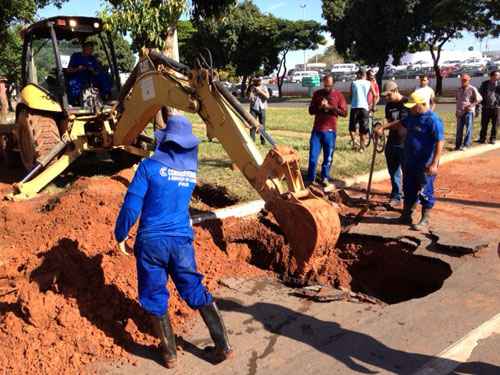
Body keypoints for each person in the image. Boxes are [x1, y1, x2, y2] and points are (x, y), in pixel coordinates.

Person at [114, 115, 234, 369]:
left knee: (154, 292)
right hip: (181, 242)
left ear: (165, 141)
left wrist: (120, 233)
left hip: (151, 243)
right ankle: (223, 346)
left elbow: (131, 206)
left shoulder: (148, 167)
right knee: (193, 287)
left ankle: (169, 353)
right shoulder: (190, 172)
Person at [375, 91, 445, 231]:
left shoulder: (433, 120)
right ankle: (406, 215)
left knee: (425, 190)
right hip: (410, 160)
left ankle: (425, 219)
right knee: (408, 188)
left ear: (422, 104)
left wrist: (434, 163)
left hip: (425, 163)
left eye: (413, 106)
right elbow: (399, 123)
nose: (410, 108)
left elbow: (440, 142)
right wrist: (383, 127)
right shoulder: (413, 116)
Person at [306, 75, 348, 186]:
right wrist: (319, 107)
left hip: (330, 131)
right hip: (317, 130)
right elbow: (310, 111)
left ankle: (325, 177)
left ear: (333, 84)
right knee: (313, 157)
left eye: (329, 86)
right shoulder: (317, 94)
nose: (327, 88)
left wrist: (330, 107)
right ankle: (311, 178)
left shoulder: (338, 95)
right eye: (325, 85)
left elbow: (344, 113)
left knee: (328, 157)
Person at [381, 81, 409, 207]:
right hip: (392, 141)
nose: (386, 98)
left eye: (388, 95)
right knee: (393, 171)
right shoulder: (388, 105)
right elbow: (388, 120)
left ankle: (410, 196)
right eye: (385, 96)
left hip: (405, 143)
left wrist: (384, 127)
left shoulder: (406, 103)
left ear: (395, 91)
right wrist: (380, 125)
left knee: (407, 172)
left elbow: (402, 122)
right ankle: (397, 195)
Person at [349, 69, 377, 152]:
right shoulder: (369, 83)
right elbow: (375, 95)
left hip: (354, 107)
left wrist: (353, 100)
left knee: (352, 128)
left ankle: (354, 142)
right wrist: (373, 106)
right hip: (364, 108)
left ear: (358, 75)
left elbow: (350, 96)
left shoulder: (353, 83)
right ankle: (362, 147)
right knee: (363, 128)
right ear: (365, 75)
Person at [455, 74, 482, 151]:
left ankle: (466, 145)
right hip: (460, 112)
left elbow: (479, 99)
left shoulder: (472, 89)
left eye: (465, 80)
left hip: (468, 112)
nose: (463, 81)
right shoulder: (459, 89)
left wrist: (471, 105)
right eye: (462, 80)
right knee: (459, 129)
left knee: (468, 129)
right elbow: (458, 101)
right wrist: (456, 111)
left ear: (469, 80)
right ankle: (457, 145)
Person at [478, 70, 500, 144]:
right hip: (486, 107)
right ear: (492, 76)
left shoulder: (499, 84)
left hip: (496, 108)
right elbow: (480, 94)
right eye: (497, 75)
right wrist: (481, 103)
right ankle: (482, 138)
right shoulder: (485, 84)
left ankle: (492, 139)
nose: (498, 77)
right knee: (484, 124)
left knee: (495, 124)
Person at [247, 77, 270, 145]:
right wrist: (251, 93)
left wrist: (260, 91)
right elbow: (248, 96)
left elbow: (267, 97)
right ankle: (252, 141)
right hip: (253, 108)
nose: (258, 82)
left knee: (262, 125)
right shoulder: (251, 87)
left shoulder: (264, 87)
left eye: (259, 81)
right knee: (252, 124)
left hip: (262, 108)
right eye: (255, 81)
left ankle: (263, 141)